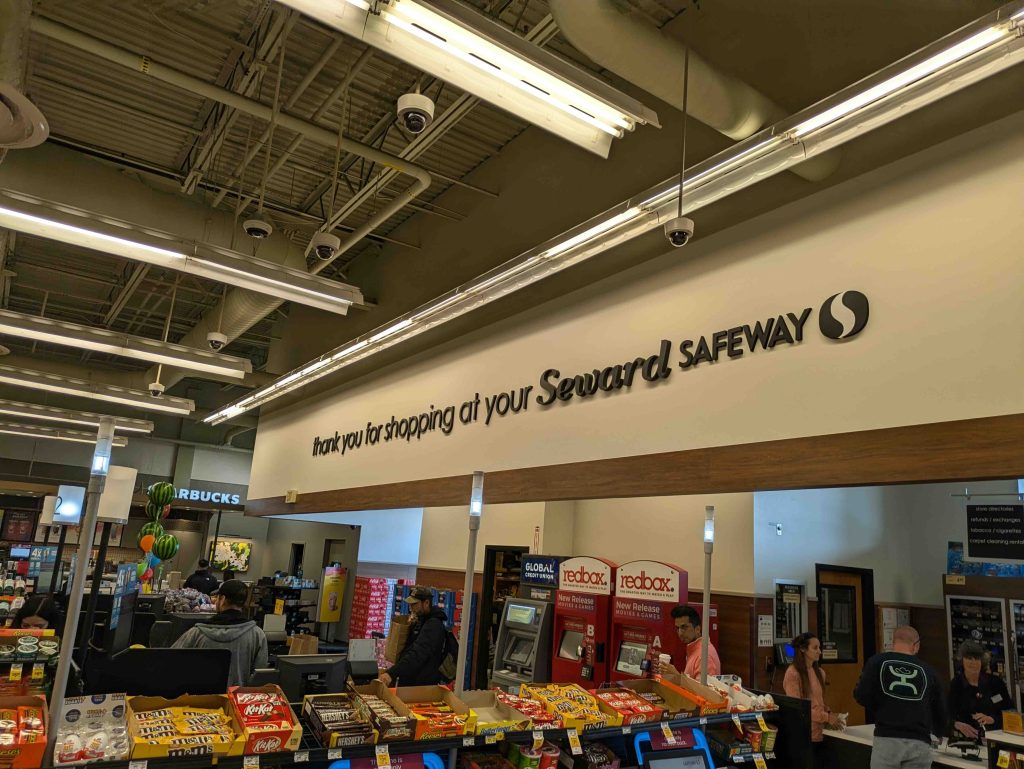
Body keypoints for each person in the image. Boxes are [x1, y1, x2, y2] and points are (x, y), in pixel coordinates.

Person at [854, 626, 946, 769]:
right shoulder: (929, 671)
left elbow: (861, 695)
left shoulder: (876, 662)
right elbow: (940, 707)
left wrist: (882, 708)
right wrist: (939, 732)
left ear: (893, 642)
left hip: (887, 739)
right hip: (919, 741)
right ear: (916, 645)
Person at [172, 579, 267, 687]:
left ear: (222, 599)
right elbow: (260, 677)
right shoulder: (257, 635)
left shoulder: (197, 633)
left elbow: (171, 661)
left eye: (217, 597)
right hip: (238, 697)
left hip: (201, 697)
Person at [784, 633, 839, 769]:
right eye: (815, 648)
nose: (819, 651)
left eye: (819, 647)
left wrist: (828, 712)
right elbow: (798, 708)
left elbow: (818, 701)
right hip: (804, 735)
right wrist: (826, 717)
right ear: (803, 649)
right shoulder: (793, 673)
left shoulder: (820, 672)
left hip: (820, 733)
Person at [378, 587, 448, 687]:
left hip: (421, 684)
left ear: (426, 603)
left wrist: (392, 673)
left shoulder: (433, 625)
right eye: (410, 604)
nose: (411, 608)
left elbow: (417, 654)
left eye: (415, 604)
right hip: (411, 680)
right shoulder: (421, 621)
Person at [949, 640, 1011, 739]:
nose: (973, 662)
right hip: (967, 740)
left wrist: (993, 719)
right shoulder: (956, 684)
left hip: (997, 738)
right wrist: (957, 725)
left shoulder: (996, 682)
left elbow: (1011, 713)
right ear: (961, 661)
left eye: (977, 658)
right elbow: (946, 716)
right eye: (969, 658)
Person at [656, 605, 721, 679]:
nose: (680, 633)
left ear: (697, 629)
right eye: (677, 628)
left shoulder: (704, 656)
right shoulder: (695, 649)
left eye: (684, 627)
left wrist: (677, 676)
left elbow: (703, 686)